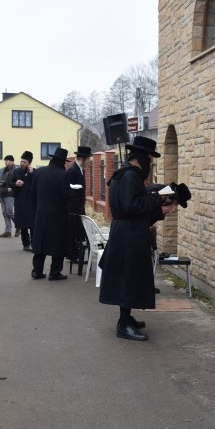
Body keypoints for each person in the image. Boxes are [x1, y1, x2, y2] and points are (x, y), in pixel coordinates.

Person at [98, 136, 178, 341]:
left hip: (127, 231)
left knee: (129, 277)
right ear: (141, 157)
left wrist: (161, 210)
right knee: (128, 278)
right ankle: (123, 325)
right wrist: (157, 198)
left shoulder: (123, 174)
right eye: (149, 159)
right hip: (129, 236)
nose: (150, 164)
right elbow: (131, 205)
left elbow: (134, 210)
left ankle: (126, 317)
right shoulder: (130, 176)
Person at [30, 147, 71, 280]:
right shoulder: (64, 175)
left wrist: (38, 208)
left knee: (40, 243)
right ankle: (54, 272)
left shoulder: (40, 172)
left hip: (41, 214)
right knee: (58, 244)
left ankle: (37, 271)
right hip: (58, 216)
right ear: (62, 162)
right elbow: (67, 196)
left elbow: (33, 194)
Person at [66, 146, 91, 271]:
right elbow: (67, 189)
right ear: (83, 158)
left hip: (79, 206)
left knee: (79, 231)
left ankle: (75, 253)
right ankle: (72, 255)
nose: (89, 161)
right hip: (73, 207)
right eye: (88, 159)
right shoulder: (72, 171)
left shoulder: (82, 169)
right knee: (73, 231)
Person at [12, 150, 36, 250]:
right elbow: (10, 183)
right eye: (21, 161)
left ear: (29, 163)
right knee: (23, 225)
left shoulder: (34, 172)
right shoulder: (16, 171)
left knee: (33, 225)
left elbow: (37, 184)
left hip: (31, 202)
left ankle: (34, 245)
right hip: (20, 202)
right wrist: (15, 184)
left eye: (24, 162)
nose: (22, 163)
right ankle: (25, 244)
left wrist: (32, 173)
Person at [0, 155, 17, 237]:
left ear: (12, 161)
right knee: (4, 213)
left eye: (8, 160)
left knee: (9, 212)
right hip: (2, 193)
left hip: (10, 194)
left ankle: (20, 225)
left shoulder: (16, 170)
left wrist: (11, 188)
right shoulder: (3, 170)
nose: (6, 162)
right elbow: (1, 181)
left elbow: (16, 182)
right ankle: (8, 231)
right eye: (5, 160)